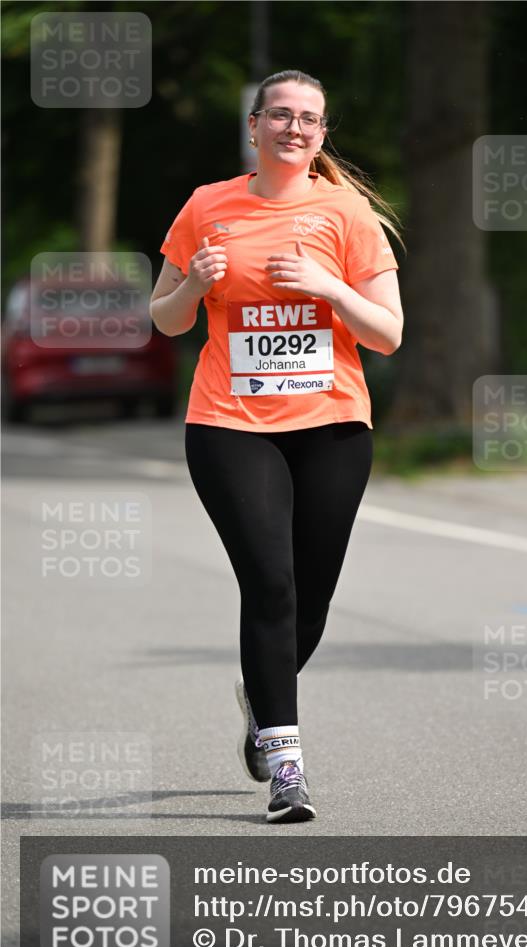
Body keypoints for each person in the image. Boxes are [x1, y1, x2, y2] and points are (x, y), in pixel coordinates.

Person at [150, 69, 403, 823]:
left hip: (330, 426)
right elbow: (165, 321)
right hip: (230, 423)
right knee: (270, 583)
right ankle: (286, 765)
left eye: (310, 119)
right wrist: (192, 283)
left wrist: (329, 287)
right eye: (281, 115)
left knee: (311, 599)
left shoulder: (346, 213)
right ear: (255, 126)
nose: (295, 128)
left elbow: (386, 334)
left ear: (322, 135)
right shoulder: (206, 207)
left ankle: (260, 693)